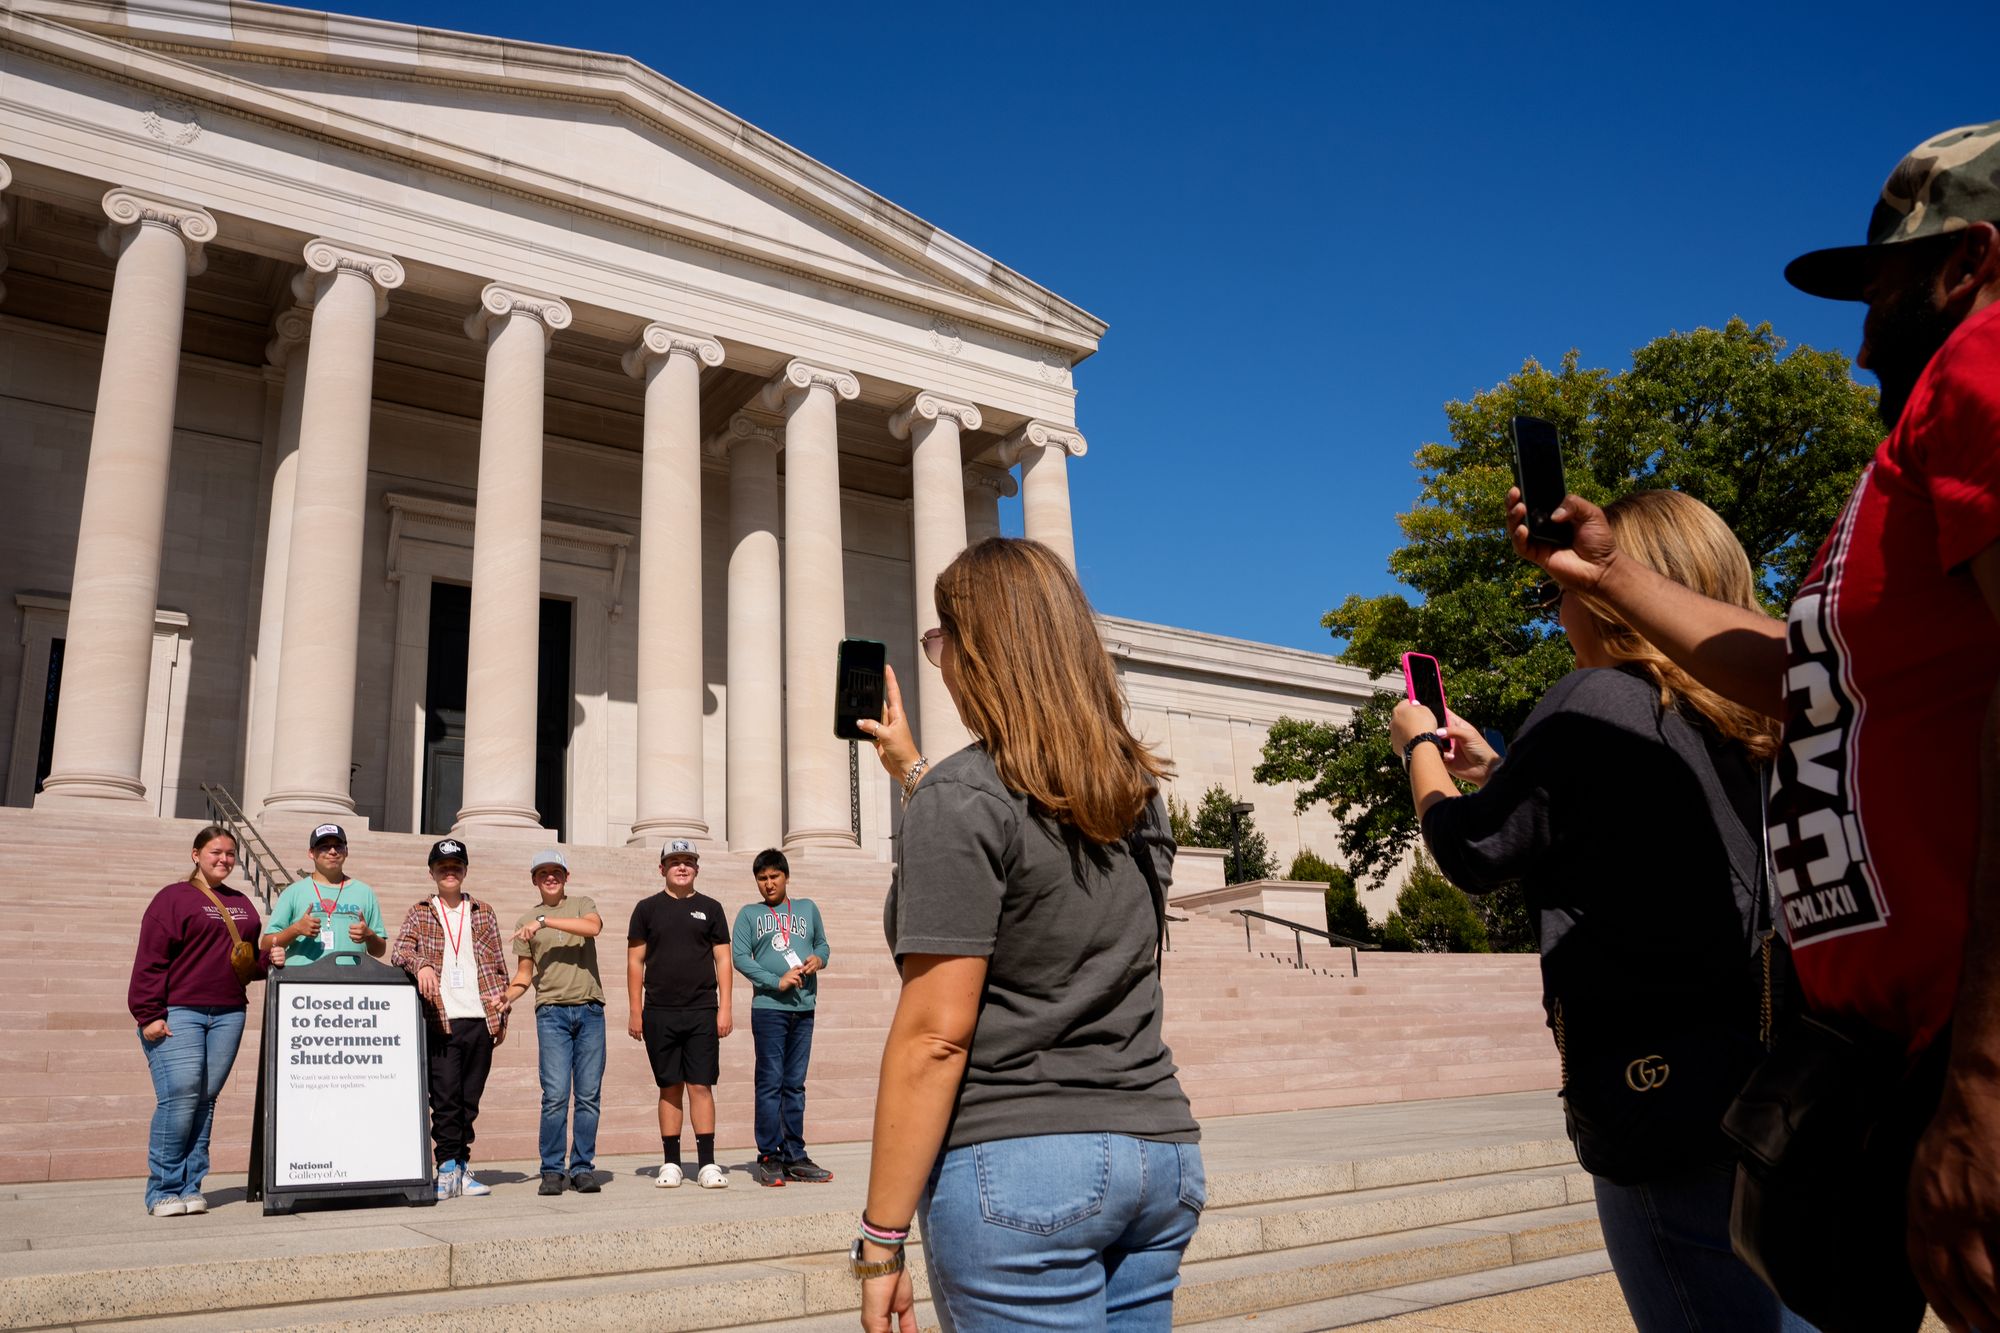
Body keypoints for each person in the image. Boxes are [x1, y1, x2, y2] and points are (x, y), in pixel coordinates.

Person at [1508, 120, 2000, 1333]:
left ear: (1967, 266)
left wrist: (1988, 1082)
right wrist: (1613, 576)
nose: (1858, 333)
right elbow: (1815, 681)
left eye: (1877, 286)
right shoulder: (1918, 442)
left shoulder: (1983, 368)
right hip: (1892, 1059)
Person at [1390, 491, 1811, 1333]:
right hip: (1775, 1096)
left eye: (1558, 591)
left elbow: (1472, 852)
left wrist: (1419, 752)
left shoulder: (1595, 697)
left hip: (1662, 1103)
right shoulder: (1752, 722)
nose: (1557, 614)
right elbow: (1617, 821)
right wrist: (1504, 766)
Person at [855, 537, 1202, 1333]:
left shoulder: (962, 798)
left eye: (942, 640)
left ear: (980, 652)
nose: (938, 661)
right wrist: (914, 774)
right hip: (1159, 1152)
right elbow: (1044, 855)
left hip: (1021, 1160)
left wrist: (879, 1241)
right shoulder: (1137, 792)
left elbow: (935, 1038)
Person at [128, 824, 263, 1218]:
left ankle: (191, 1185)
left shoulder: (242, 902)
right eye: (215, 852)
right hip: (180, 1011)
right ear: (196, 855)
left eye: (230, 854)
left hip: (228, 1012)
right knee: (181, 1096)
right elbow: (150, 960)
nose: (224, 859)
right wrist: (148, 1013)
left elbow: (245, 960)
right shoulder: (173, 898)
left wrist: (265, 962)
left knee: (205, 1100)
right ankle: (163, 1190)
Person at [389, 838, 510, 1200]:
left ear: (465, 871)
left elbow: (499, 967)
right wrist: (421, 963)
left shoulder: (483, 911)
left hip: (480, 1017)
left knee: (469, 1099)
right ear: (433, 872)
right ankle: (444, 1168)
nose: (450, 872)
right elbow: (400, 950)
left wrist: (502, 1014)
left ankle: (461, 1167)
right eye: (443, 867)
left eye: (456, 866)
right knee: (444, 1098)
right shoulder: (421, 910)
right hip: (441, 1019)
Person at [627, 838, 733, 1190]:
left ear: (697, 868)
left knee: (701, 1085)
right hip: (659, 1012)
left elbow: (723, 960)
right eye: (674, 861)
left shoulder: (712, 908)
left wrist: (726, 1008)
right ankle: (671, 1162)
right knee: (669, 1087)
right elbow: (635, 962)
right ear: (662, 869)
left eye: (688, 861)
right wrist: (635, 1011)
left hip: (702, 1009)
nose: (682, 866)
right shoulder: (646, 909)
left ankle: (706, 1164)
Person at [505, 848, 607, 1196]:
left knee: (589, 1095)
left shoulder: (581, 904)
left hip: (590, 1010)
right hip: (552, 1013)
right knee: (555, 1095)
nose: (550, 877)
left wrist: (545, 922)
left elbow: (592, 928)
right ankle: (552, 1169)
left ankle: (581, 1167)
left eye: (556, 872)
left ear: (566, 876)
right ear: (535, 879)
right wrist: (505, 997)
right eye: (543, 873)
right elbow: (524, 974)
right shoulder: (525, 921)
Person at [731, 848, 833, 1187]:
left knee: (795, 1084)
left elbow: (823, 946)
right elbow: (740, 958)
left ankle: (795, 1154)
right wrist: (776, 980)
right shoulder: (749, 914)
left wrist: (818, 960)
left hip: (804, 1007)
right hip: (769, 1009)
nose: (768, 884)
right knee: (770, 1081)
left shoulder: (807, 908)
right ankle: (770, 1155)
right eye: (762, 879)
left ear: (786, 877)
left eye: (774, 877)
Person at [259, 823, 386, 967]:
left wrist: (369, 935)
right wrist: (296, 929)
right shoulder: (293, 892)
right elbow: (266, 944)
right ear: (311, 853)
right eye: (324, 847)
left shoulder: (365, 892)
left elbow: (380, 951)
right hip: (303, 982)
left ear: (346, 851)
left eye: (338, 846)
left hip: (352, 980)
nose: (332, 851)